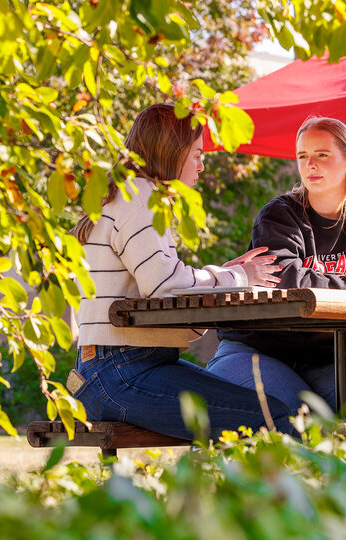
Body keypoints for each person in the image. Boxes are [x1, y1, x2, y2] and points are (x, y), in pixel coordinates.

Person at [71, 103, 295, 439]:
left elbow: (164, 282)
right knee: (270, 417)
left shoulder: (128, 192)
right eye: (197, 155)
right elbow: (166, 286)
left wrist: (220, 277)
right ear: (171, 152)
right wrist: (239, 278)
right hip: (119, 371)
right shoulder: (139, 194)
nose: (202, 166)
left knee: (255, 417)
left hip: (113, 368)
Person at [208, 117, 346, 418]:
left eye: (322, 155)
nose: (310, 164)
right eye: (303, 156)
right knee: (294, 416)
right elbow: (285, 279)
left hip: (327, 362)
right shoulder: (280, 216)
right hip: (256, 351)